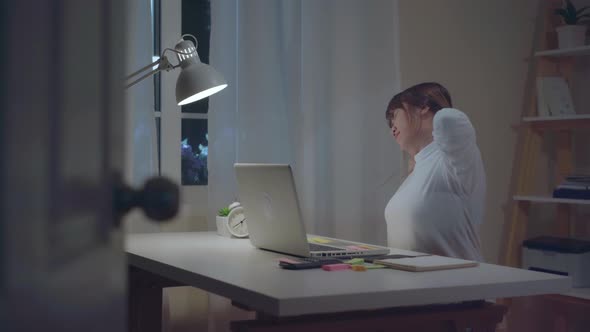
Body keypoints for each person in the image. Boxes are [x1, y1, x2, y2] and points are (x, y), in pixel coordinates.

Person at [384, 82, 485, 261]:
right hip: (414, 282)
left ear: (423, 107)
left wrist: (428, 100)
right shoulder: (418, 170)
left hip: (454, 282)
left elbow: (449, 119)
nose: (391, 127)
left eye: (394, 115)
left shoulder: (455, 159)